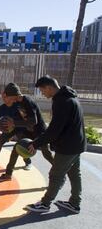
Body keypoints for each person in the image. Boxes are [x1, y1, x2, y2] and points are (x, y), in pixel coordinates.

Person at [26, 76, 85, 214]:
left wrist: (36, 143)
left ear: (49, 87)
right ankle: (75, 203)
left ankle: (45, 204)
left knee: (56, 175)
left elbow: (54, 129)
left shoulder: (62, 102)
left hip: (68, 146)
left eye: (42, 90)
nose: (43, 94)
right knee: (75, 173)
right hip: (77, 144)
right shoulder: (71, 97)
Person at [0, 83, 54, 181]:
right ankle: (8, 174)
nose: (7, 99)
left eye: (8, 97)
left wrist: (13, 123)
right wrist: (9, 129)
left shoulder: (28, 101)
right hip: (29, 132)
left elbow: (33, 121)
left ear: (13, 95)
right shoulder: (16, 103)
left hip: (40, 132)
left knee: (46, 154)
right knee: (16, 149)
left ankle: (60, 170)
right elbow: (19, 120)